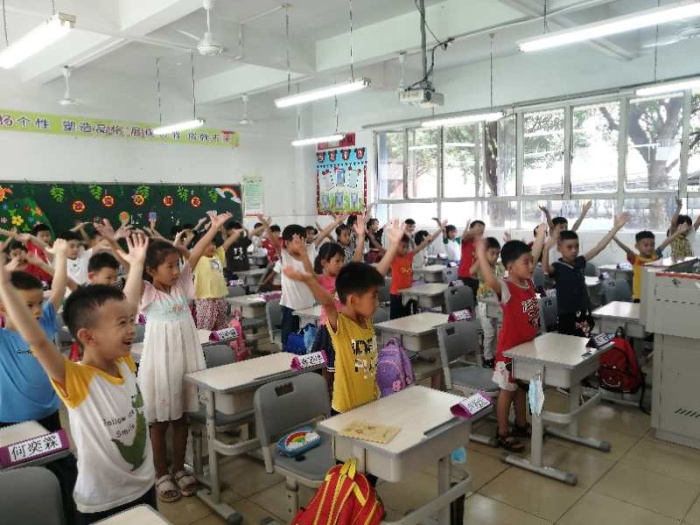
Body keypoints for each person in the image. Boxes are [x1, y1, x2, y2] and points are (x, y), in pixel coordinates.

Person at [0, 239, 154, 525]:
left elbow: (129, 304)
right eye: (122, 324)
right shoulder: (76, 378)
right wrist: (4, 286)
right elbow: (36, 341)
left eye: (131, 321)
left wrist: (136, 265)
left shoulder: (124, 362)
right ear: (87, 337)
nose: (132, 329)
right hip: (103, 500)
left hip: (144, 484)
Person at [127, 213, 230, 503]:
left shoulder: (182, 285)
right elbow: (131, 285)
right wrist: (134, 262)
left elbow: (195, 253)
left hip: (185, 360)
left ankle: (179, 468)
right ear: (151, 270)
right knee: (159, 423)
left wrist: (214, 228)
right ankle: (161, 473)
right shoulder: (147, 293)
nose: (176, 271)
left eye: (176, 265)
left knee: (182, 417)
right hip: (160, 364)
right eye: (169, 267)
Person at [283, 220, 403, 415]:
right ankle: (324, 398)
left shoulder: (365, 320)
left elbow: (377, 274)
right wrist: (308, 279)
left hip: (371, 402)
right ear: (354, 300)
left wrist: (394, 245)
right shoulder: (342, 325)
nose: (377, 303)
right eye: (373, 297)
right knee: (329, 372)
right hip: (346, 410)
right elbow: (328, 304)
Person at [477, 224, 547, 451]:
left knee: (521, 388)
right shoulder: (506, 288)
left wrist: (541, 235)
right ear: (510, 267)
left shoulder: (528, 282)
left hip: (526, 350)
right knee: (507, 391)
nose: (531, 266)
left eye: (531, 262)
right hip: (508, 352)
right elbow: (490, 280)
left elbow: (534, 252)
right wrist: (480, 255)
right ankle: (502, 432)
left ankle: (521, 424)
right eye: (526, 263)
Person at [261, 215, 343, 348]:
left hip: (309, 306)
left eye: (304, 239)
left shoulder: (309, 250)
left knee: (308, 340)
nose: (302, 243)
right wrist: (265, 225)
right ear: (287, 243)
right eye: (297, 240)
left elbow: (323, 233)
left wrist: (337, 222)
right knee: (289, 341)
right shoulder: (284, 255)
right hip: (290, 306)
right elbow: (274, 243)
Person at [543, 213, 629, 337]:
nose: (574, 250)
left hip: (584, 312)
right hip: (567, 315)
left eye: (576, 246)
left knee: (584, 342)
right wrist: (546, 249)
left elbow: (599, 247)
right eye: (569, 247)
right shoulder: (557, 267)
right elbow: (546, 268)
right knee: (568, 344)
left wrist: (615, 228)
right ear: (559, 249)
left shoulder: (579, 262)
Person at [613, 224, 689, 302]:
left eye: (652, 245)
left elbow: (665, 243)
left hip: (653, 295)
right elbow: (627, 250)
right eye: (645, 245)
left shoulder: (655, 256)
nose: (649, 247)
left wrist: (678, 232)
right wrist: (616, 239)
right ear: (637, 246)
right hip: (639, 297)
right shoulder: (635, 259)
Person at [389, 221, 446, 319]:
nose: (429, 239)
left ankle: (420, 314)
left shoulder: (422, 250)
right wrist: (400, 231)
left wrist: (441, 228)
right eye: (426, 237)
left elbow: (430, 239)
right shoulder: (412, 249)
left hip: (415, 282)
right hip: (411, 283)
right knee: (400, 314)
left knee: (409, 312)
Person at [194, 222, 244, 331]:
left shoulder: (217, 255)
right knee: (205, 330)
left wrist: (236, 233)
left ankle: (220, 342)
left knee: (221, 328)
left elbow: (227, 243)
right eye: (207, 244)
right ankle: (205, 343)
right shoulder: (196, 259)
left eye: (213, 243)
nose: (211, 246)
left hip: (220, 299)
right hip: (206, 301)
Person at [470, 237, 505, 368]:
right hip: (484, 305)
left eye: (497, 254)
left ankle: (494, 355)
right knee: (489, 333)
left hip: (496, 304)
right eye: (492, 253)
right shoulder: (481, 268)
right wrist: (481, 257)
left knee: (496, 332)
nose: (495, 257)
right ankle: (487, 358)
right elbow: (471, 272)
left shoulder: (498, 267)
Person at [457, 219, 485, 302]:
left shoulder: (482, 242)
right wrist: (467, 226)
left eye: (483, 228)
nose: (481, 229)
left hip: (476, 276)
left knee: (475, 299)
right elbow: (465, 235)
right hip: (464, 274)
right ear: (471, 228)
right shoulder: (467, 240)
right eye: (479, 226)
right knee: (464, 300)